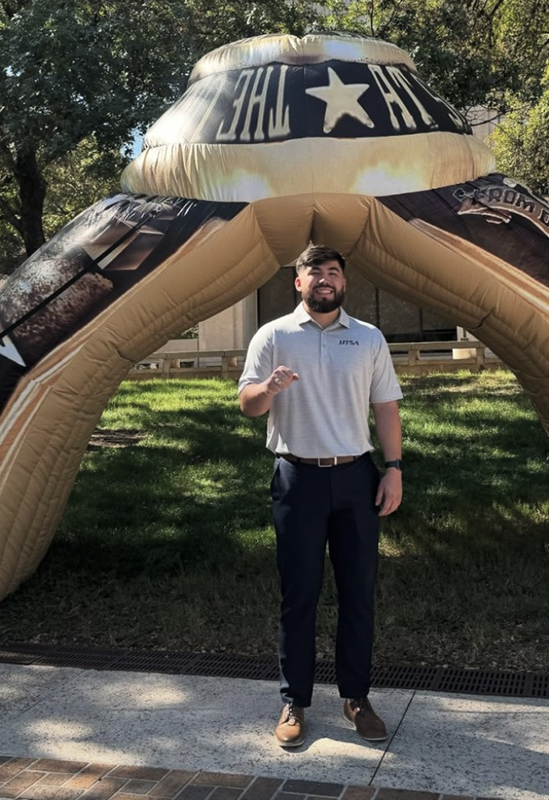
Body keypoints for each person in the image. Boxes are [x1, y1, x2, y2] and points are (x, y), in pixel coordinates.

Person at [238, 244, 403, 748]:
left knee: (358, 593)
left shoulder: (369, 338)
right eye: (315, 273)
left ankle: (356, 698)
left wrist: (393, 469)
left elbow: (387, 406)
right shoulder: (273, 335)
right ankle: (295, 702)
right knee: (299, 595)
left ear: (344, 283)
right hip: (297, 479)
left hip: (356, 477)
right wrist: (269, 387)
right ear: (298, 282)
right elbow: (247, 404)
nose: (324, 280)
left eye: (333, 272)